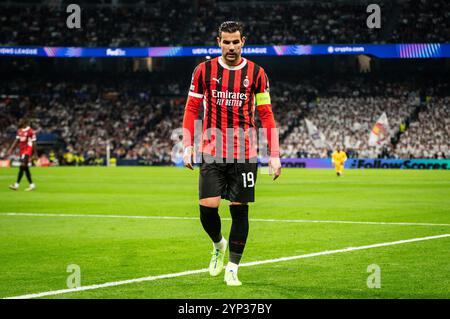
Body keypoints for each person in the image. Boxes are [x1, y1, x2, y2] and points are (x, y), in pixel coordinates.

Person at [182, 21, 281, 286]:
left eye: (235, 41)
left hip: (245, 152)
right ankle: (218, 244)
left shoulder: (257, 73)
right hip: (212, 149)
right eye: (226, 41)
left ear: (243, 42)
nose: (231, 46)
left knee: (239, 210)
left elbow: (266, 114)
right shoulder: (203, 71)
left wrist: (274, 153)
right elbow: (192, 109)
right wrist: (188, 144)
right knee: (208, 207)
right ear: (218, 42)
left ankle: (233, 268)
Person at [7, 118, 38, 191]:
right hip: (22, 151)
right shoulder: (19, 131)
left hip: (27, 150)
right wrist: (11, 148)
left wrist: (35, 154)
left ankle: (16, 185)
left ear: (25, 122)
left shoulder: (30, 131)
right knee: (25, 168)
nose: (19, 122)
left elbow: (34, 142)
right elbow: (17, 140)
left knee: (22, 166)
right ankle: (32, 185)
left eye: (20, 121)